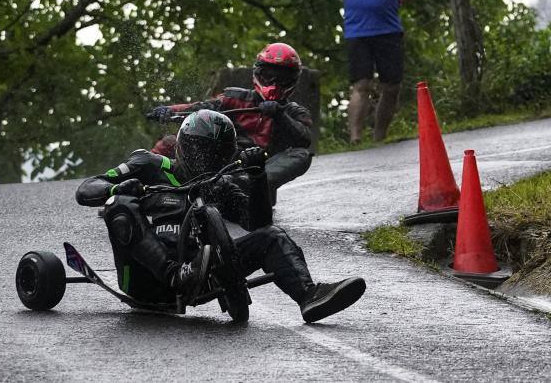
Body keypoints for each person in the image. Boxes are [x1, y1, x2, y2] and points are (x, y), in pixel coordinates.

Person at [76, 109, 366, 322]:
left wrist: (257, 177)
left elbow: (258, 224)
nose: (207, 160)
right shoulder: (148, 164)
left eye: (216, 154)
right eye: (201, 151)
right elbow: (87, 189)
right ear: (184, 146)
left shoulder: (220, 184)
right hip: (145, 277)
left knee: (272, 237)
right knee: (120, 203)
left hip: (200, 272)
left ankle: (309, 296)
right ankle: (174, 274)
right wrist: (119, 187)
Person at [148, 42, 312, 203]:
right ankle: (142, 177)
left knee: (302, 154)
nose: (274, 83)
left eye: (282, 78)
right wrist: (170, 110)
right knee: (170, 141)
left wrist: (280, 114)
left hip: (259, 169)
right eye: (269, 75)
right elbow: (201, 107)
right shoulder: (234, 97)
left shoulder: (294, 111)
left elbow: (304, 139)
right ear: (258, 73)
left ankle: (248, 183)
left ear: (292, 80)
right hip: (225, 160)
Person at [321, 0, 419, 144]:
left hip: (389, 30)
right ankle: (355, 138)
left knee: (392, 86)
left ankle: (379, 136)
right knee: (361, 84)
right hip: (358, 32)